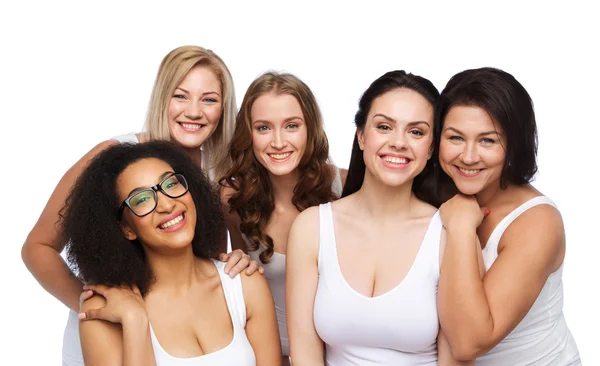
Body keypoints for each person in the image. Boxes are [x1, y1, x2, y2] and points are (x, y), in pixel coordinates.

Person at [20, 45, 258, 365]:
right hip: (109, 345)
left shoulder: (219, 172)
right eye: (180, 96)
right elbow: (37, 246)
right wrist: (96, 306)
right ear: (162, 97)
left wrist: (237, 260)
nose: (194, 111)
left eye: (209, 99)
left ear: (224, 108)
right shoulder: (113, 160)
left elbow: (206, 261)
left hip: (178, 345)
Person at [286, 70, 466, 365]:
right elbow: (305, 354)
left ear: (432, 148)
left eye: (416, 132)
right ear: (361, 136)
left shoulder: (447, 233)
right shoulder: (311, 228)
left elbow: (457, 357)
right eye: (384, 127)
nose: (399, 142)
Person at [62, 140, 281, 365]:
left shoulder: (244, 284)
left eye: (170, 184)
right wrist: (135, 321)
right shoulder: (105, 309)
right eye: (142, 199)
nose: (166, 205)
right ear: (126, 228)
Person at [435, 67, 581, 365]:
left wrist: (462, 226)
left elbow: (468, 343)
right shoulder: (441, 193)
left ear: (514, 144)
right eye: (455, 138)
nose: (469, 156)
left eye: (487, 141)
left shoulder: (537, 222)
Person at [220, 71, 346, 365]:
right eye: (263, 128)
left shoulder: (345, 188)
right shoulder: (231, 198)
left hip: (336, 355)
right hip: (263, 355)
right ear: (248, 133)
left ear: (310, 129)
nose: (278, 142)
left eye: (291, 126)